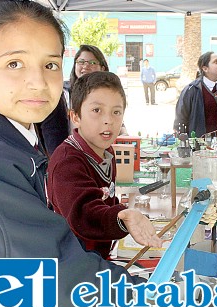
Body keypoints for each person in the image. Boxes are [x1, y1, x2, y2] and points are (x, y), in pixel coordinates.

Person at [0, 1, 204, 307]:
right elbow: (55, 273)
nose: (37, 81)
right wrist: (152, 300)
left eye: (50, 64)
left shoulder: (9, 140)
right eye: (14, 64)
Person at [47, 71, 162, 259]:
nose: (108, 120)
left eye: (116, 112)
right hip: (71, 264)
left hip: (97, 255)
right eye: (97, 110)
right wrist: (121, 218)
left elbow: (104, 197)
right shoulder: (67, 161)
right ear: (75, 117)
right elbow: (85, 214)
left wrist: (122, 212)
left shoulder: (106, 152)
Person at [174, 51, 217, 136]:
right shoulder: (192, 90)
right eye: (216, 62)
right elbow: (181, 117)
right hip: (199, 143)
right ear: (205, 68)